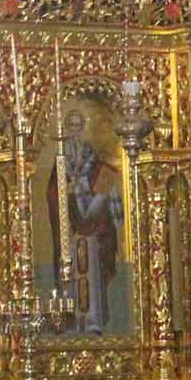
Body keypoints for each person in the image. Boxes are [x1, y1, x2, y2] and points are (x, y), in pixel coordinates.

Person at [49, 109, 123, 334]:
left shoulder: (93, 158)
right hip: (70, 229)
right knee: (70, 273)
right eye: (70, 125)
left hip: (92, 230)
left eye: (78, 125)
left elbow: (104, 186)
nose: (75, 130)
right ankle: (71, 323)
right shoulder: (60, 163)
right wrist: (64, 191)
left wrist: (88, 193)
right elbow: (52, 192)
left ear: (83, 127)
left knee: (92, 273)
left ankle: (92, 321)